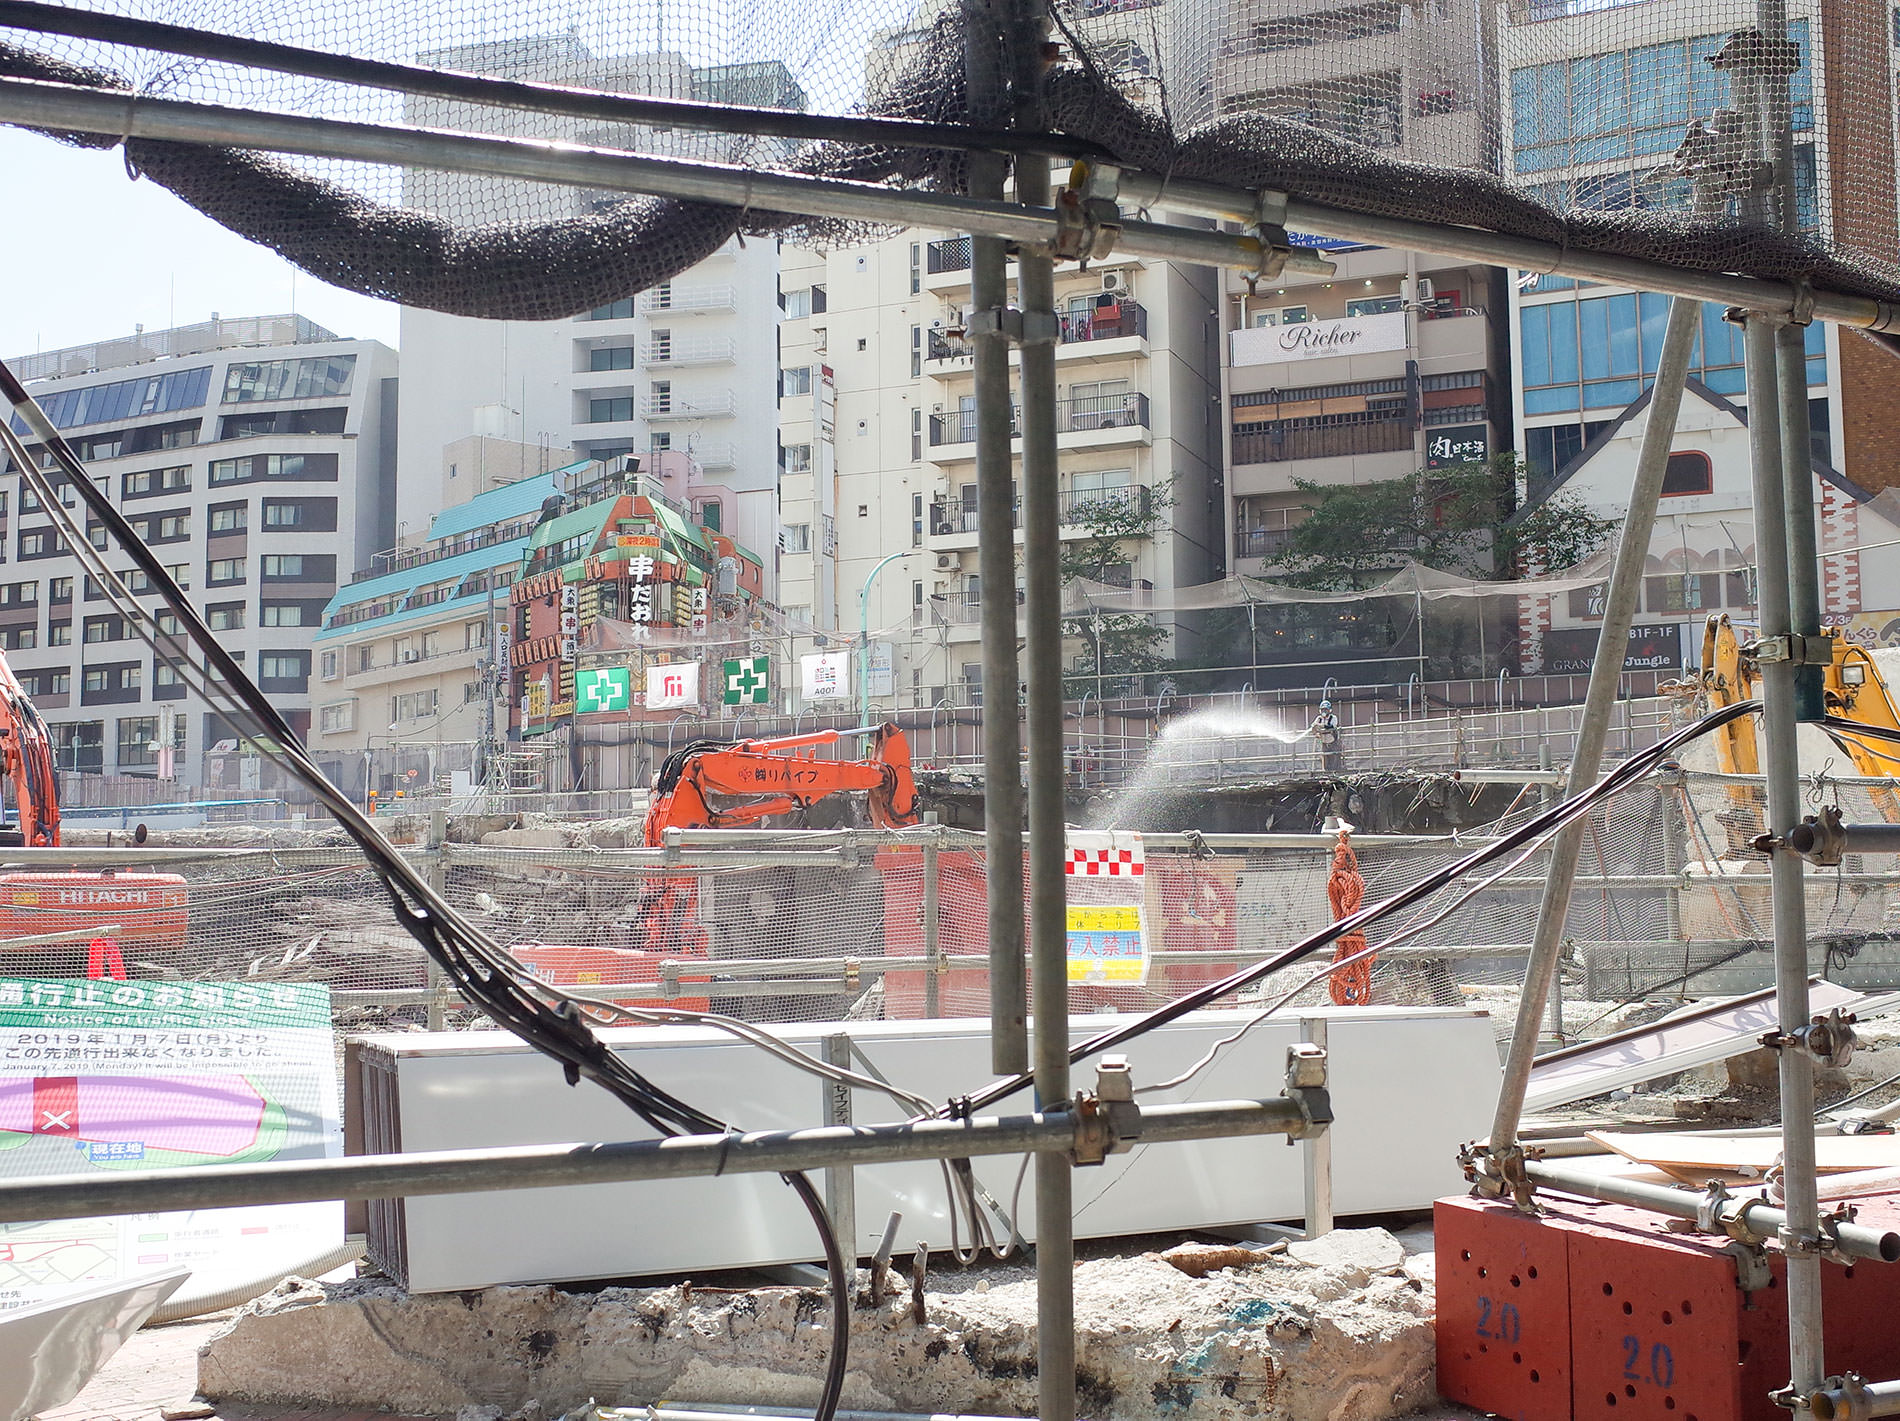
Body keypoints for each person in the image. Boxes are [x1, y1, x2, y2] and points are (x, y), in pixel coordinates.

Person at [1311, 699, 1342, 772]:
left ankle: (1335, 772)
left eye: (1326, 709)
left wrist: (1321, 725)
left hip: (1332, 741)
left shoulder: (1333, 717)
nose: (1324, 711)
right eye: (1322, 710)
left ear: (1329, 710)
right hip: (1323, 741)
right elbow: (1313, 727)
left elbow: (1332, 726)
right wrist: (1316, 733)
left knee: (1334, 757)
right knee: (1325, 757)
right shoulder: (1319, 718)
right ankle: (1325, 772)